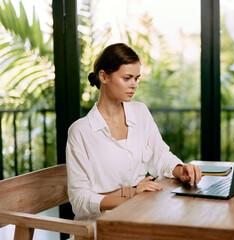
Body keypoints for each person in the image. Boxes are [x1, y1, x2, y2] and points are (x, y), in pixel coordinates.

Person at [66, 43, 202, 222]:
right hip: (100, 226)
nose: (134, 85)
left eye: (136, 78)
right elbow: (79, 200)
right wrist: (130, 194)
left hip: (140, 214)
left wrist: (181, 170)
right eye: (127, 78)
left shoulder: (140, 112)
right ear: (103, 76)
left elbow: (160, 155)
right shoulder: (81, 131)